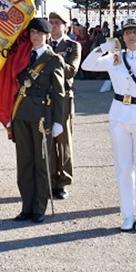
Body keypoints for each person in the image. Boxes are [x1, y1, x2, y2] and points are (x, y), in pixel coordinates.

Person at [81, 17, 136, 232]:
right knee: (123, 168)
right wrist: (104, 47)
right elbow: (87, 65)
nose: (131, 36)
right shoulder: (115, 58)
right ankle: (128, 214)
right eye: (127, 32)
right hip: (119, 115)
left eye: (135, 32)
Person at [9, 17, 67, 224]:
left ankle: (39, 207)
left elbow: (59, 93)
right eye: (33, 33)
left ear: (48, 36)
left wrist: (59, 121)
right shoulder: (22, 56)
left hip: (43, 116)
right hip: (22, 114)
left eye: (40, 34)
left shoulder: (54, 60)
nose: (35, 37)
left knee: (41, 164)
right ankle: (27, 206)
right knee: (24, 163)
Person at [48, 11, 81, 199]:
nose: (53, 26)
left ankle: (64, 181)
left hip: (64, 98)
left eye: (57, 23)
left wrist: (54, 57)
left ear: (65, 26)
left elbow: (71, 71)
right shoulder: (43, 45)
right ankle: (51, 180)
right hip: (47, 97)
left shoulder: (72, 46)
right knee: (49, 141)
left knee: (64, 141)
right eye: (51, 22)